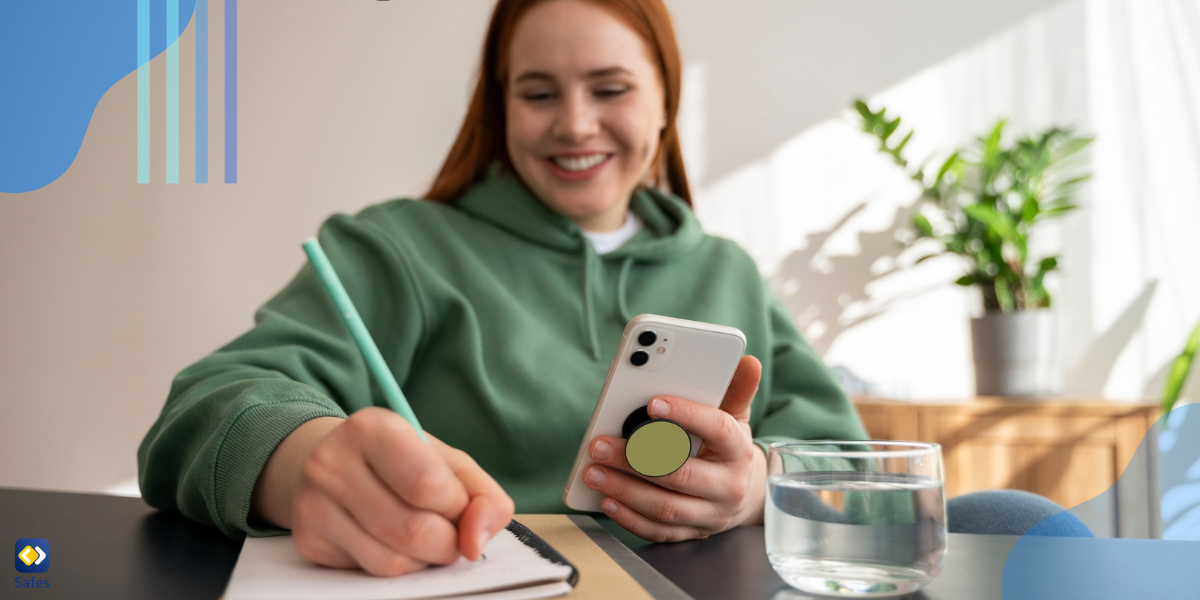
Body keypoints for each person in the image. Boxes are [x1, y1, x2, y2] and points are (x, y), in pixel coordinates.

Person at [137, 0, 1088, 579]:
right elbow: (210, 407)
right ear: (497, 106)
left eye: (611, 87)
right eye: (538, 91)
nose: (575, 123)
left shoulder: (724, 272)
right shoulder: (398, 249)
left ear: (667, 100)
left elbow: (845, 469)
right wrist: (304, 461)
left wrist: (756, 489)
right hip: (504, 583)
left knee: (1020, 522)